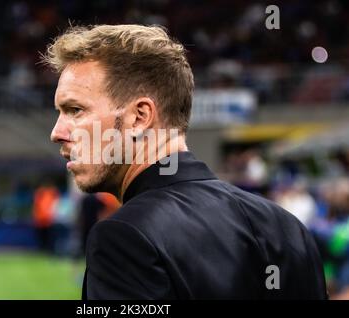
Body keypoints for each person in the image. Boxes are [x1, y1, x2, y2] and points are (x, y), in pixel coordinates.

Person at [45, 24, 327, 299]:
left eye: (75, 110)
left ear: (139, 117)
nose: (57, 133)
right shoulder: (287, 227)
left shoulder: (125, 236)